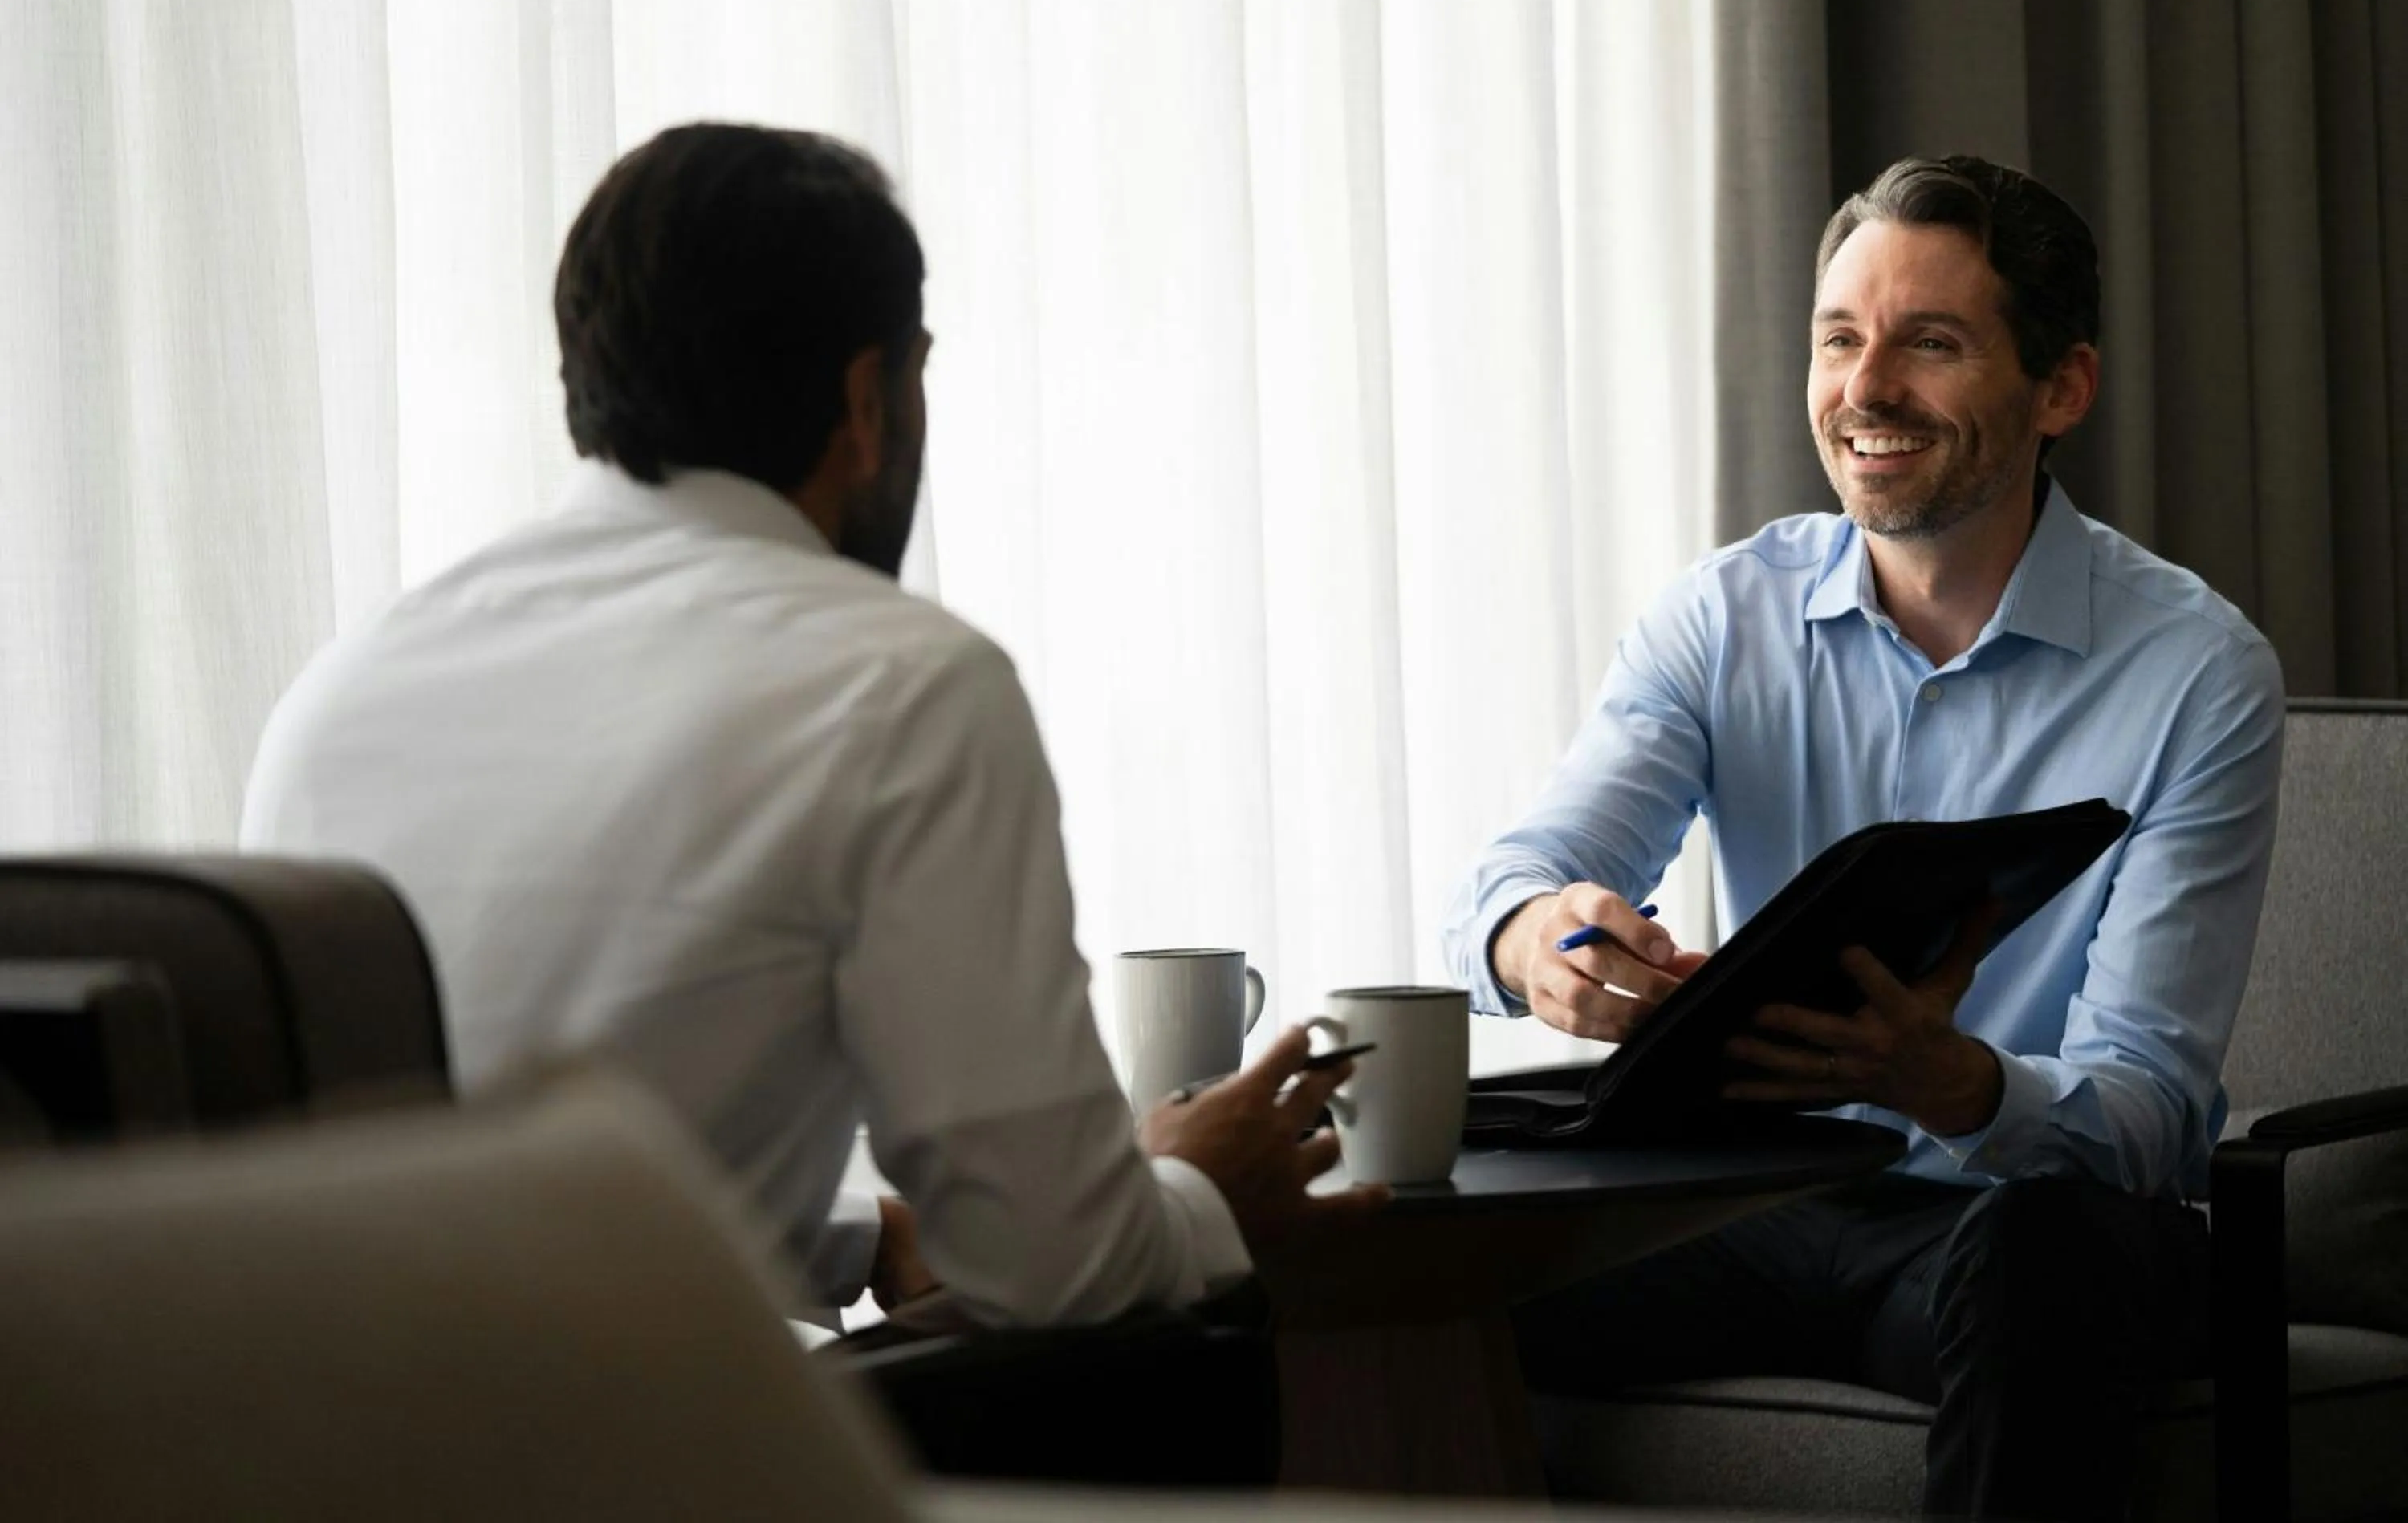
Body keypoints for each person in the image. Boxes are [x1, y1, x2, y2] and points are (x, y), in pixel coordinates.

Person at [242, 122, 1383, 1332]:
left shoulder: (340, 688)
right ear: (866, 401)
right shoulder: (903, 687)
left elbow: (495, 1177)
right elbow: (1059, 1266)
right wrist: (1205, 1193)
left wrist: (857, 1237)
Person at [1440, 156, 2284, 1521]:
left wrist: (1952, 1082)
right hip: (1743, 1210)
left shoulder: (2196, 671)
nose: (1865, 389)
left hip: (2003, 1229)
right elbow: (1516, 878)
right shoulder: (1721, 618)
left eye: (1929, 344)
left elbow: (2147, 1111)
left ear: (2061, 387)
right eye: (1841, 339)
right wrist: (1540, 939)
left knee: (2049, 1258)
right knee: (1391, 1250)